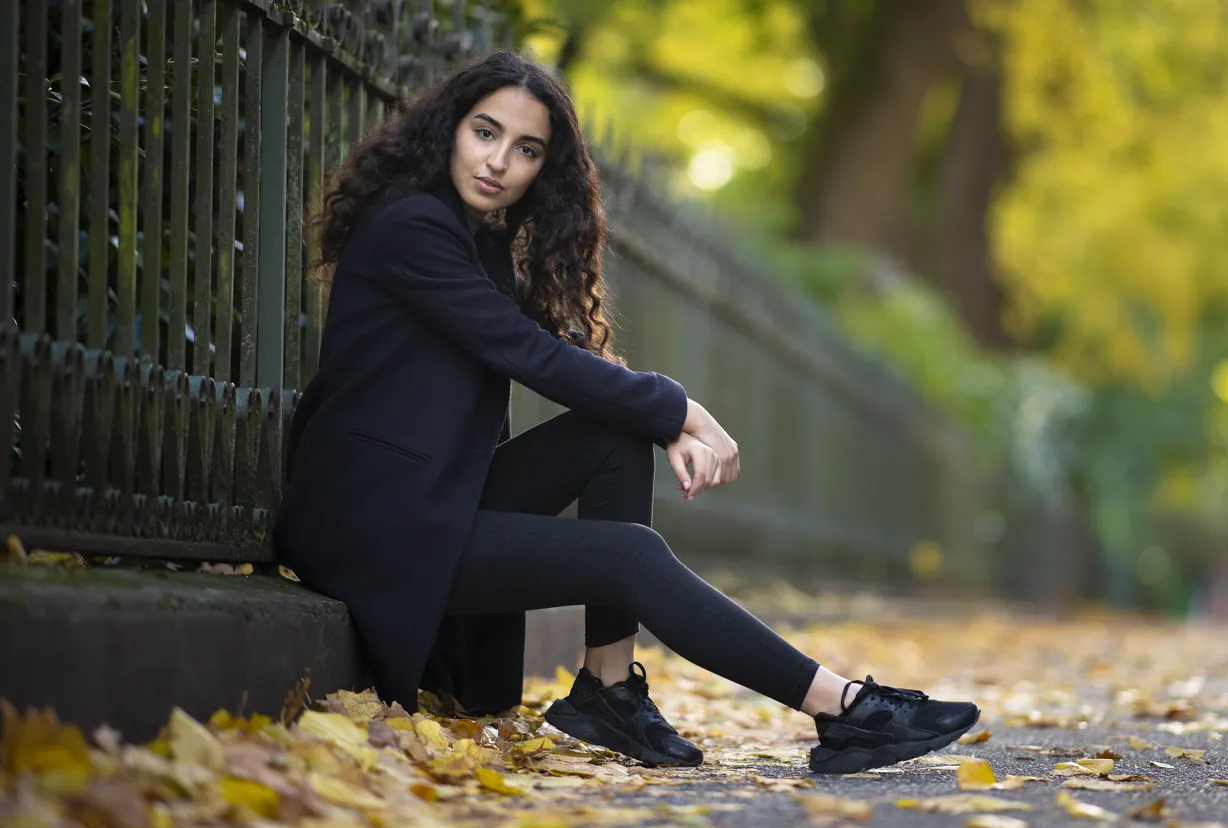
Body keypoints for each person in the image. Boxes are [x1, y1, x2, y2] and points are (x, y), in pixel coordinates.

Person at [275, 50, 979, 774]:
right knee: (629, 554)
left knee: (614, 432)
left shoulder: (476, 242)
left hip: (430, 502)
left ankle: (608, 689)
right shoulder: (413, 229)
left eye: (526, 150)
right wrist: (683, 411)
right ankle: (843, 707)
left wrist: (659, 416)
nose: (498, 162)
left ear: (542, 170)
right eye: (484, 133)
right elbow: (531, 357)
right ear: (448, 129)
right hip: (373, 527)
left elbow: (565, 356)